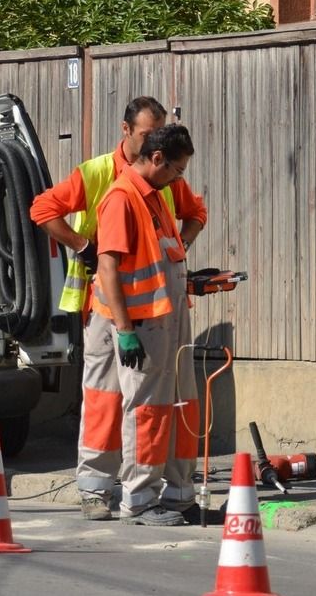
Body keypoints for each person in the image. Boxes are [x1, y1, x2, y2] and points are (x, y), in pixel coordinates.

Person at [30, 98, 206, 521]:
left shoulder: (158, 188)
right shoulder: (111, 186)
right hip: (119, 314)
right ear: (129, 132)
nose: (179, 179)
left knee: (143, 401)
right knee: (118, 400)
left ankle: (152, 489)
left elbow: (179, 231)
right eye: (149, 134)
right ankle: (110, 489)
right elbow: (102, 258)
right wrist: (82, 247)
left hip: (146, 315)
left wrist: (176, 263)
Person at [91, 123, 200, 525]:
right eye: (176, 170)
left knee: (174, 405)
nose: (178, 179)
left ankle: (175, 494)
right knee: (147, 411)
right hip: (143, 327)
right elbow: (108, 266)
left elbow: (163, 255)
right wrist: (124, 330)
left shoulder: (154, 197)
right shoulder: (122, 198)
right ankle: (139, 500)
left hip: (165, 324)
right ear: (156, 159)